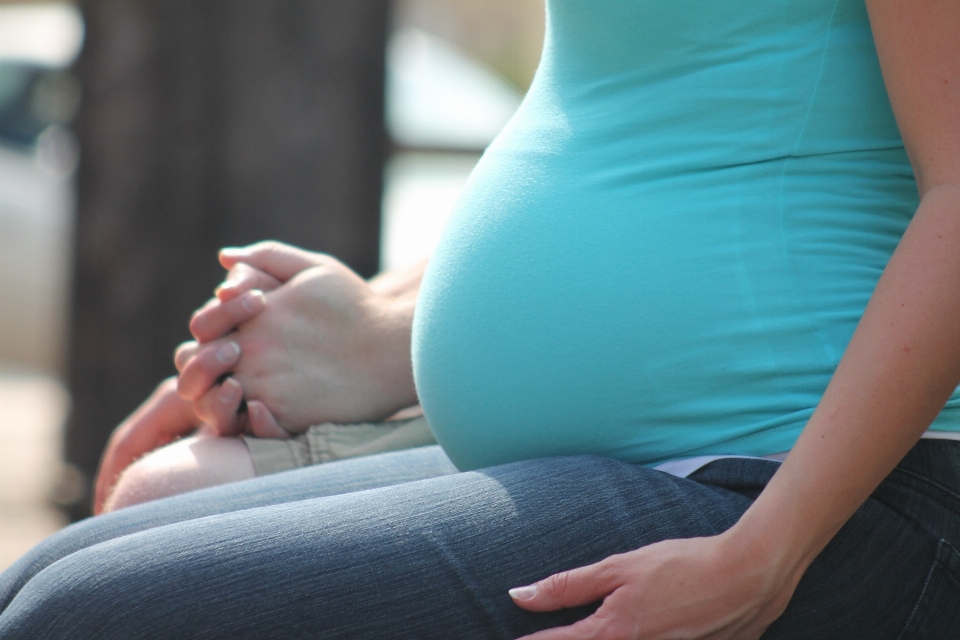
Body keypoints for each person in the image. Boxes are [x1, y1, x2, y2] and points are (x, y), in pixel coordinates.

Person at [1, 0, 959, 638]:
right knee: (41, 582)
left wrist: (768, 553)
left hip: (803, 486)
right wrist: (391, 320)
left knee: (84, 619)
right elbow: (652, 118)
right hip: (662, 455)